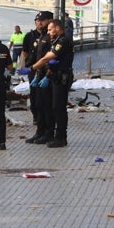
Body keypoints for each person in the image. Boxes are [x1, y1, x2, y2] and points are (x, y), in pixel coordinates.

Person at [32, 18, 74, 147]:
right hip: (55, 77)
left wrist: (32, 68)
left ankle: (61, 137)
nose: (49, 32)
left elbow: (47, 57)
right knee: (54, 106)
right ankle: (56, 135)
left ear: (57, 28)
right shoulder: (55, 41)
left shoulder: (63, 41)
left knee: (59, 107)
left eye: (50, 29)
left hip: (62, 77)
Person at [24, 11, 53, 144]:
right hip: (37, 73)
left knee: (48, 106)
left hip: (47, 74)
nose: (39, 23)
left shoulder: (51, 38)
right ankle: (40, 131)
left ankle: (49, 133)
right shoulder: (37, 36)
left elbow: (48, 59)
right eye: (37, 20)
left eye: (42, 20)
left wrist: (40, 72)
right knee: (37, 104)